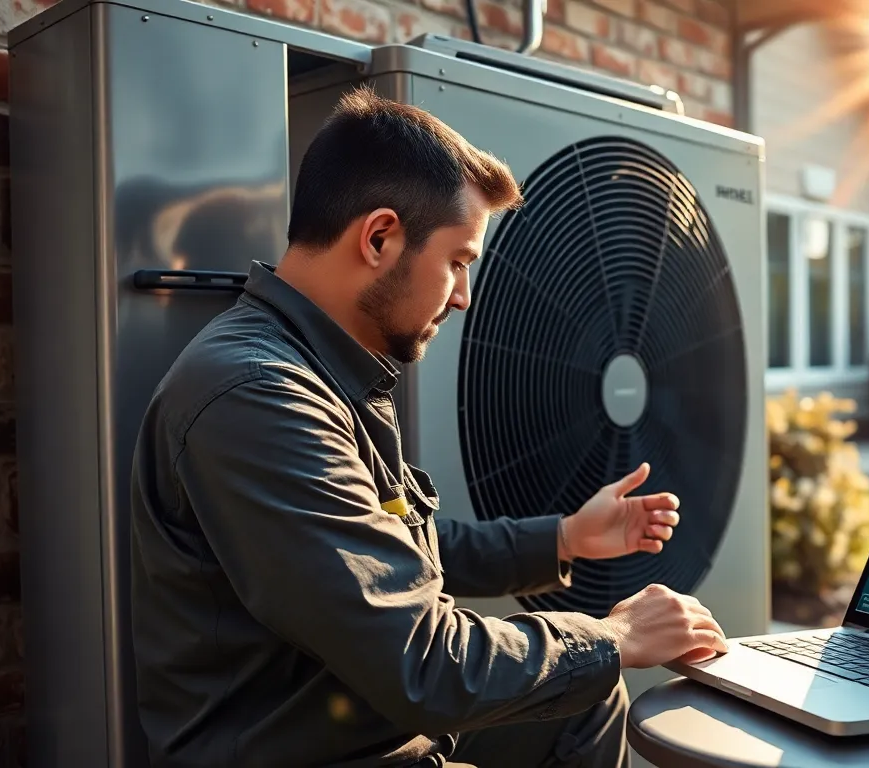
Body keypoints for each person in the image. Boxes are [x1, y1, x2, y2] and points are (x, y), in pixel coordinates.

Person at [128, 85, 730, 768]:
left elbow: (383, 546)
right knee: (589, 678)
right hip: (310, 750)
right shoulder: (257, 396)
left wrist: (564, 536)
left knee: (585, 704)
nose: (466, 296)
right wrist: (613, 635)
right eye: (458, 261)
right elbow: (421, 661)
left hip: (362, 720)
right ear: (380, 237)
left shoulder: (323, 367)